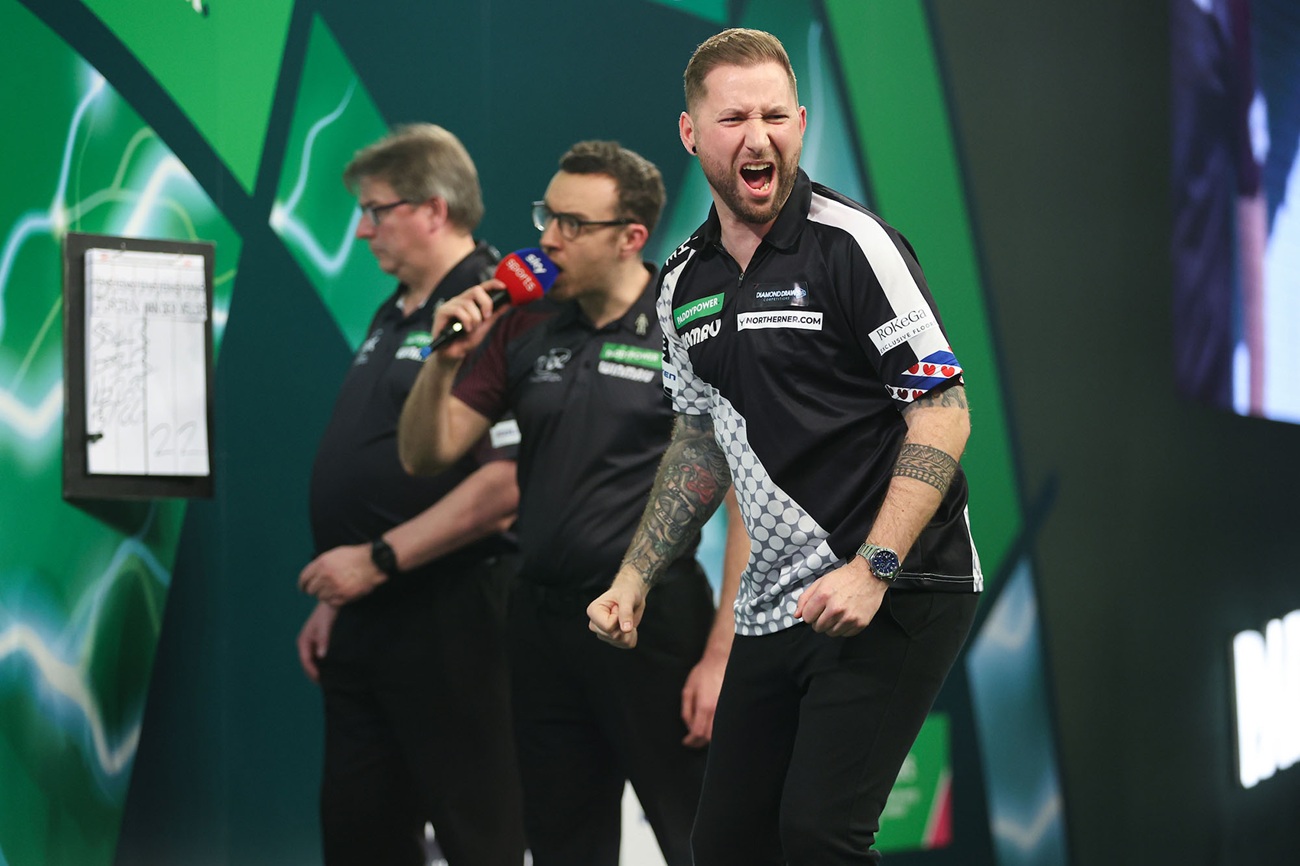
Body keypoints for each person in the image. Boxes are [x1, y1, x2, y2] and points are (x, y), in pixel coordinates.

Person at [586, 29, 982, 865]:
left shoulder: (854, 244)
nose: (757, 138)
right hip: (776, 601)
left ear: (801, 124)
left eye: (774, 116)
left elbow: (943, 412)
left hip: (899, 582)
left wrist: (873, 566)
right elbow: (700, 439)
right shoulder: (681, 281)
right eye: (733, 119)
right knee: (728, 843)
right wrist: (634, 577)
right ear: (692, 134)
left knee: (818, 835)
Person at [397, 140, 741, 866]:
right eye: (547, 217)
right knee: (561, 844)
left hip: (654, 622)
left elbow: (745, 496)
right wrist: (442, 363)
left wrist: (720, 655)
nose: (548, 240)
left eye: (572, 224)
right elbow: (426, 453)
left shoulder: (689, 325)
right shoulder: (524, 325)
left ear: (631, 237)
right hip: (541, 622)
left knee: (701, 840)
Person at [294, 123, 526, 866]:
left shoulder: (493, 307)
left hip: (452, 612)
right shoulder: (393, 309)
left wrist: (378, 559)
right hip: (368, 615)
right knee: (359, 833)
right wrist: (342, 598)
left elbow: (506, 483)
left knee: (478, 835)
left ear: (433, 209)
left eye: (376, 210)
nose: (363, 230)